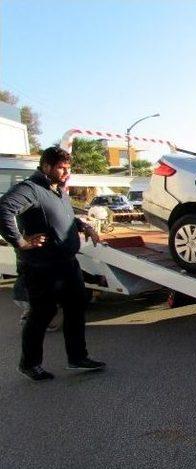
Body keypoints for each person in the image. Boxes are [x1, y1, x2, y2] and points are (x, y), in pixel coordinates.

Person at [0, 146, 105, 381]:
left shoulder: (57, 190)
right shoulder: (31, 189)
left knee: (76, 308)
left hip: (67, 264)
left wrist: (84, 226)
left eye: (69, 168)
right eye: (61, 168)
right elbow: (4, 209)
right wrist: (19, 241)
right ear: (46, 166)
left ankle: (78, 358)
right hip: (42, 267)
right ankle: (29, 364)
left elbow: (64, 217)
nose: (67, 173)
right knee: (42, 314)